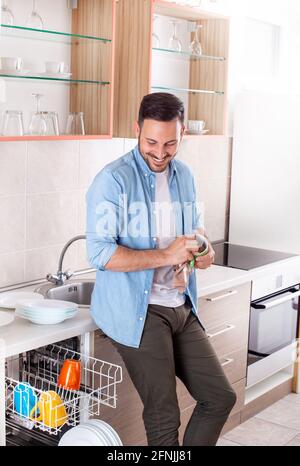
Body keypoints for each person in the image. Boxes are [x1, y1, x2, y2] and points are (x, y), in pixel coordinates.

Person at [86, 93, 236, 446]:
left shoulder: (184, 175)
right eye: (151, 141)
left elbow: (194, 234)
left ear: (182, 133)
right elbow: (100, 254)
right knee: (164, 417)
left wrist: (203, 250)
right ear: (137, 129)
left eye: (170, 143)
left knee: (219, 398)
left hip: (181, 305)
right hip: (139, 312)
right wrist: (166, 256)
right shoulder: (113, 180)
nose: (159, 151)